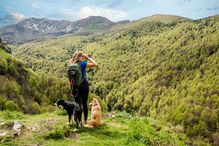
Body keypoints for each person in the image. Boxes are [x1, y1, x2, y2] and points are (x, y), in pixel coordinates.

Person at [69, 51, 98, 124]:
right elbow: (95, 64)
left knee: (77, 104)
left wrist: (71, 90)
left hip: (75, 86)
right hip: (84, 84)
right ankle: (85, 121)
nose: (83, 57)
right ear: (79, 57)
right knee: (84, 103)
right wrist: (88, 58)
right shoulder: (83, 64)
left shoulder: (71, 64)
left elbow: (71, 79)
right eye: (82, 56)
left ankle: (78, 121)